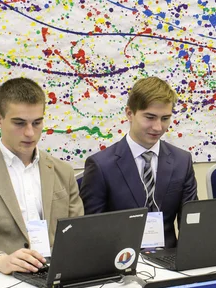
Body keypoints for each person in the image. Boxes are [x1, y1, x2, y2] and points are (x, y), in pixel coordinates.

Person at [0, 77, 84, 274]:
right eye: (19, 123)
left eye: (37, 123)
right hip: (3, 282)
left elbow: (79, 234)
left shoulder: (62, 171)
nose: (30, 133)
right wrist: (0, 260)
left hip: (57, 276)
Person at [79, 77, 197, 248]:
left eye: (165, 118)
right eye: (150, 117)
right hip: (121, 262)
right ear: (129, 113)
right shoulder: (101, 166)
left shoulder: (182, 161)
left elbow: (191, 222)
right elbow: (91, 230)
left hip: (170, 261)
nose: (158, 127)